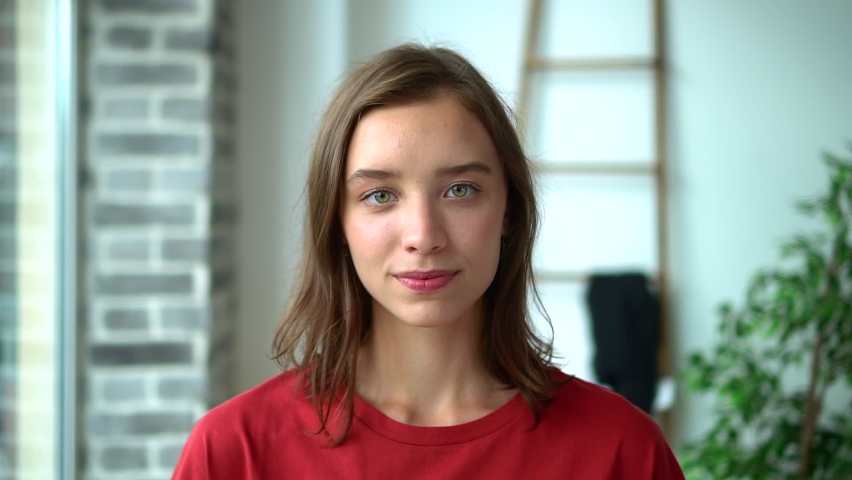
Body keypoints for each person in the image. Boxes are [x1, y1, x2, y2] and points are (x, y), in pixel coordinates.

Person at [172, 44, 685, 479]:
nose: (423, 236)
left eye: (460, 190)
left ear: (509, 210)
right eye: (379, 195)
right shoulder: (233, 453)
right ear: (337, 222)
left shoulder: (623, 452)